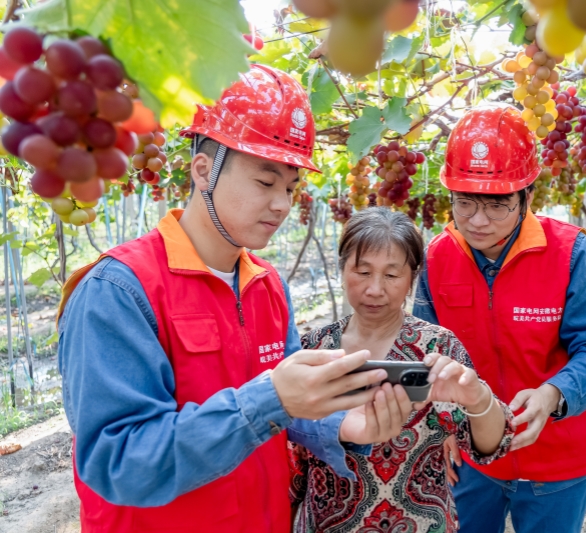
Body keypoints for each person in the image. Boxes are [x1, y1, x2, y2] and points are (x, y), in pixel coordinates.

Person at [57, 65, 412, 533]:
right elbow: (119, 463)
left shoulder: (267, 284)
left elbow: (289, 405)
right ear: (204, 170)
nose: (283, 204)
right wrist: (266, 399)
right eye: (266, 183)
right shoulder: (119, 291)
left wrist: (346, 426)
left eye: (290, 187)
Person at [413, 104, 586, 533]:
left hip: (559, 461)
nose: (478, 221)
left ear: (527, 197)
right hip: (471, 457)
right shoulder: (436, 258)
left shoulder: (571, 254)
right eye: (464, 203)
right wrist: (439, 426)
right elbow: (424, 352)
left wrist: (553, 395)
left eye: (497, 205)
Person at [289, 208, 515, 532]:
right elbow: (292, 453)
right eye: (362, 272)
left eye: (392, 275)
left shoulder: (437, 348)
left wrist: (479, 399)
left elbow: (491, 446)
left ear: (412, 277)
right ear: (342, 269)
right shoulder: (314, 349)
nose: (375, 289)